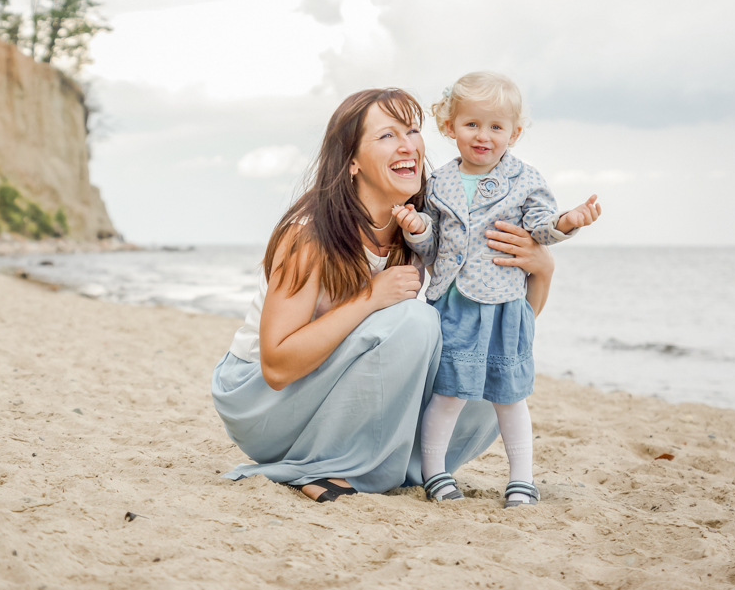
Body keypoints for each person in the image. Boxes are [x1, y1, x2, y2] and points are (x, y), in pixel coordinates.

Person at [211, 87, 556, 502]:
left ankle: (401, 469)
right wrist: (371, 298)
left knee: (485, 363)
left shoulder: (424, 228)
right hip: (264, 402)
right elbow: (277, 366)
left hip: (330, 395)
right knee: (416, 321)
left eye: (412, 130)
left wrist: (542, 271)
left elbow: (505, 328)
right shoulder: (310, 235)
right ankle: (342, 469)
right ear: (351, 161)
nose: (407, 145)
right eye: (387, 135)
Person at [392, 71, 601, 506]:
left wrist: (568, 222)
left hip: (506, 307)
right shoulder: (440, 182)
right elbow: (433, 248)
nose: (482, 135)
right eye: (471, 124)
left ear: (514, 133)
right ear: (450, 127)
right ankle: (435, 473)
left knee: (511, 397)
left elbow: (540, 229)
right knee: (449, 394)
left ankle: (522, 479)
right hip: (454, 306)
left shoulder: (526, 180)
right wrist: (416, 228)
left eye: (495, 126)